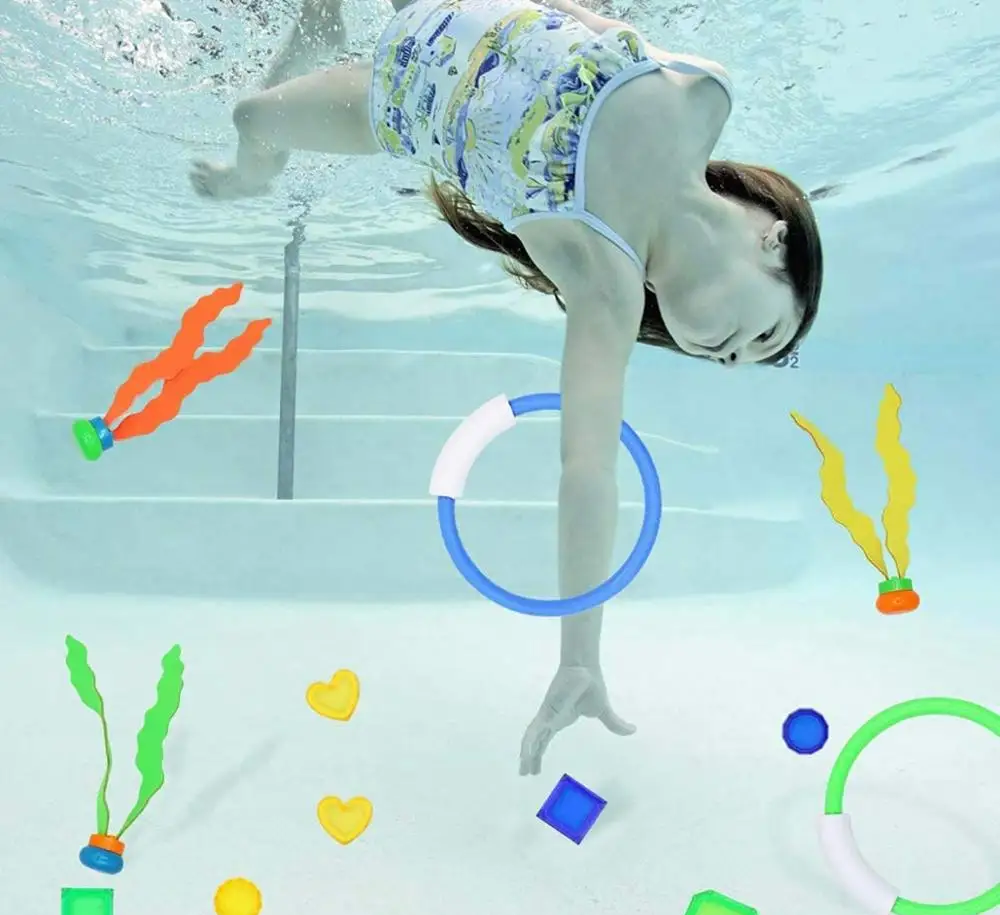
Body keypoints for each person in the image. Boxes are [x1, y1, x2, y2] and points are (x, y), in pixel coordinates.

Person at [190, 0, 824, 776]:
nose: (732, 360)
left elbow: (587, 471)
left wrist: (579, 655)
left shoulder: (607, 288)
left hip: (398, 103)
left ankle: (255, 167)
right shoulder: (702, 97)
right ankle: (321, 24)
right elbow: (568, 17)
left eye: (744, 362)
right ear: (774, 239)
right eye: (766, 335)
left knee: (253, 116)